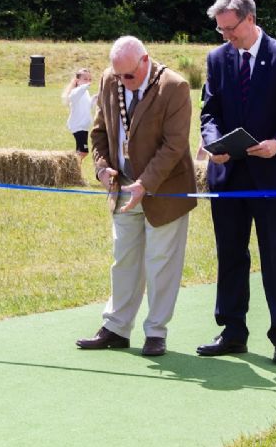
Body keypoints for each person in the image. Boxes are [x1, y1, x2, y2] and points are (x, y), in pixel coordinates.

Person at [197, 0, 276, 364]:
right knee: (230, 256)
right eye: (221, 31)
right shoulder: (217, 58)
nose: (226, 36)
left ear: (250, 19)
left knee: (275, 255)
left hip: (270, 175)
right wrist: (214, 144)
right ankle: (232, 331)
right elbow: (209, 112)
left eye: (230, 28)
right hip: (228, 176)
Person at [76, 36, 197, 357]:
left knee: (160, 263)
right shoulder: (109, 79)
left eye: (129, 76)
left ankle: (156, 332)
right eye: (118, 76)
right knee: (124, 259)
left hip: (165, 189)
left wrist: (145, 183)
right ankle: (116, 327)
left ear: (145, 61)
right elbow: (99, 132)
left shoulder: (174, 87)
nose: (123, 82)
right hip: (122, 187)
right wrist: (102, 169)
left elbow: (174, 145)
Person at [61, 68, 97, 160]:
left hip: (84, 127)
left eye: (89, 79)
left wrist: (96, 98)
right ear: (77, 80)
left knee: (80, 151)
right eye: (85, 79)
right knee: (83, 151)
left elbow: (89, 105)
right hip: (78, 126)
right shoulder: (75, 92)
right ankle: (72, 167)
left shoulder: (85, 92)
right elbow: (75, 95)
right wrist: (84, 86)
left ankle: (75, 169)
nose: (88, 82)